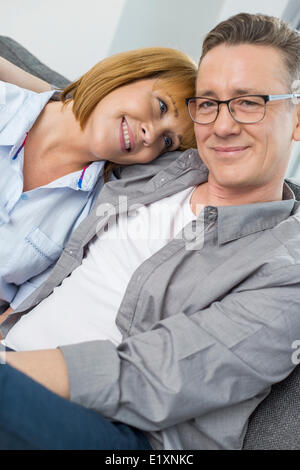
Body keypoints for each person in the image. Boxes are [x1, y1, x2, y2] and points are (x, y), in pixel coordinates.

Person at [0, 12, 300, 450]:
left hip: (127, 436)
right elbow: (82, 114)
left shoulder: (286, 267)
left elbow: (155, 378)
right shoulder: (161, 163)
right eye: (209, 102)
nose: (222, 125)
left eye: (250, 102)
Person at [0, 47, 197, 319]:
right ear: (128, 74)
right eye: (161, 106)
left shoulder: (94, 219)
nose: (151, 134)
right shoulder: (6, 104)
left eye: (167, 141)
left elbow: (11, 320)